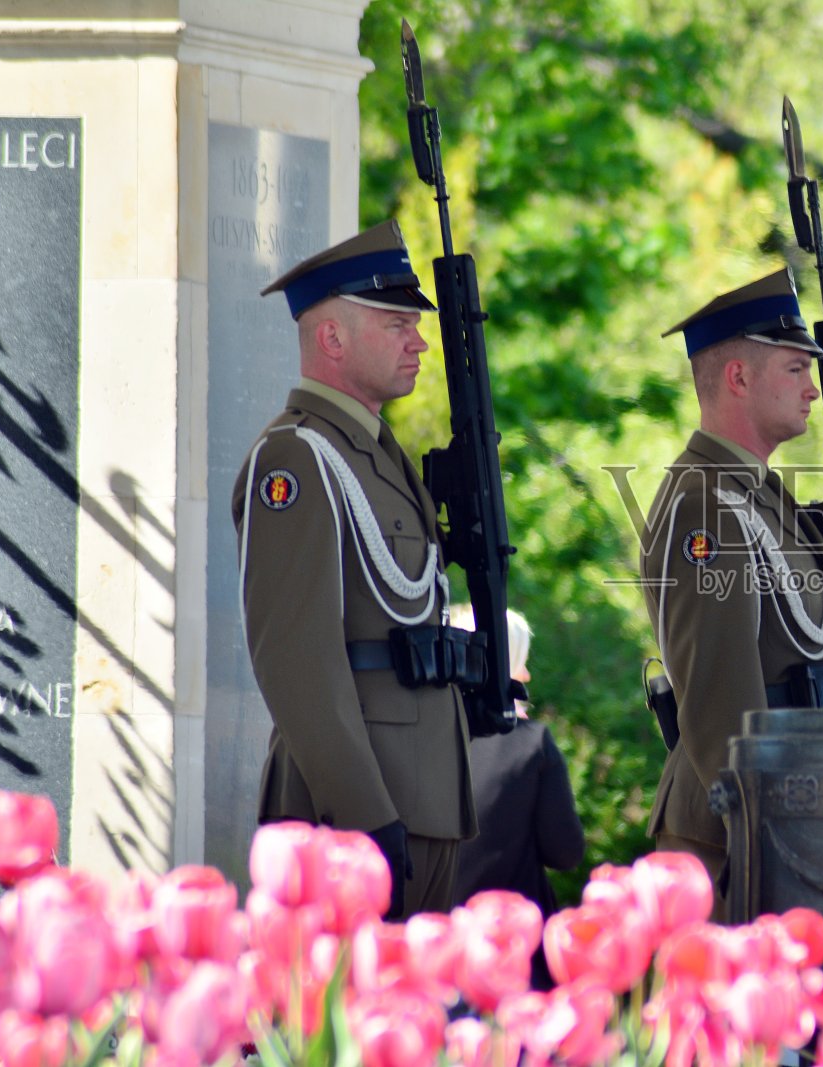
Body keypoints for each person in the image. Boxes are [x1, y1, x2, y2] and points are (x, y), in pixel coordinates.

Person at [233, 220, 474, 920]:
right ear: (332, 338)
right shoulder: (297, 458)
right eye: (398, 322)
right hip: (353, 815)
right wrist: (366, 816)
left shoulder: (377, 454)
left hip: (425, 799)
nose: (419, 340)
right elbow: (295, 656)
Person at [639, 268, 823, 911]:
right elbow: (717, 699)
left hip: (787, 818)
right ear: (738, 378)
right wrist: (769, 835)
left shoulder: (759, 495)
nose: (813, 390)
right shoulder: (706, 503)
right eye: (795, 370)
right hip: (734, 842)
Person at [453, 607, 585, 989]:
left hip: (436, 957)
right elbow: (566, 853)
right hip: (517, 963)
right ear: (513, 671)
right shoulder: (530, 746)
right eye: (521, 664)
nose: (526, 675)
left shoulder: (420, 747)